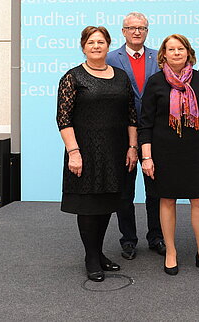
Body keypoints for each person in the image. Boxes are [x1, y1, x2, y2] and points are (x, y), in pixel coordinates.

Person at [57, 26, 138, 282]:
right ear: (83, 46)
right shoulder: (72, 77)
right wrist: (74, 152)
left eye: (101, 42)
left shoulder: (121, 77)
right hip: (85, 151)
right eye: (91, 42)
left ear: (108, 45)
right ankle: (91, 257)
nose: (96, 46)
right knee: (89, 205)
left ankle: (99, 252)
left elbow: (131, 115)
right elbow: (63, 119)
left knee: (106, 204)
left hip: (115, 150)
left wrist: (132, 147)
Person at [138, 34, 199, 276]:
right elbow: (146, 123)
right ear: (164, 54)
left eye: (180, 48)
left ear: (187, 52)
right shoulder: (155, 82)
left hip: (194, 150)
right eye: (171, 49)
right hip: (164, 152)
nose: (176, 53)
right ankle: (171, 251)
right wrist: (147, 156)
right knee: (167, 200)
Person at [106, 12, 165, 260]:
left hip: (155, 133)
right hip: (123, 134)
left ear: (147, 31)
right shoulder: (109, 58)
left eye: (141, 28)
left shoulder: (158, 58)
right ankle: (128, 239)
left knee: (155, 190)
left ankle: (156, 236)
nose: (137, 32)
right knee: (125, 192)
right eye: (132, 28)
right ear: (123, 31)